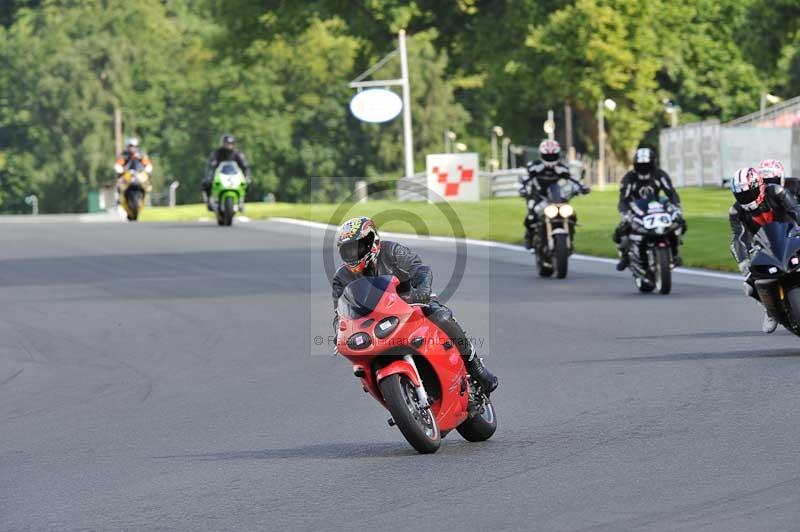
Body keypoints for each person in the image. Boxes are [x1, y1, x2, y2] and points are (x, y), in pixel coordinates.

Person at [330, 216, 498, 394]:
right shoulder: (341, 278)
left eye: (357, 247)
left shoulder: (393, 252)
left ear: (372, 241)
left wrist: (422, 291)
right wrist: (339, 332)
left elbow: (421, 270)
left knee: (441, 316)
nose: (353, 254)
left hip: (409, 305)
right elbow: (340, 313)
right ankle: (393, 394)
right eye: (347, 250)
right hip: (373, 323)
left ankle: (477, 368)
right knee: (362, 366)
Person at [730, 166, 800, 333]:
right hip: (762, 246)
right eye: (741, 195)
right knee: (749, 286)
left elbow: (795, 210)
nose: (746, 198)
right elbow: (738, 238)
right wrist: (743, 261)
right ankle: (769, 310)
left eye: (749, 193)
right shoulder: (736, 211)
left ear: (759, 186)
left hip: (790, 235)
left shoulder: (776, 192)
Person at [613, 147, 683, 270]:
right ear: (635, 164)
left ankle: (675, 252)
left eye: (647, 165)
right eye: (641, 165)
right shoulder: (629, 178)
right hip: (636, 209)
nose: (644, 168)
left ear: (653, 163)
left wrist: (676, 206)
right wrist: (625, 213)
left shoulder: (660, 175)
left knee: (679, 222)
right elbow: (624, 198)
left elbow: (671, 192)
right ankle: (625, 256)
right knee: (621, 230)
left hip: (656, 207)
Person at [518, 139, 589, 251]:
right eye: (548, 156)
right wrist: (523, 189)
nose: (550, 158)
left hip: (556, 198)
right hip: (539, 197)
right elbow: (524, 179)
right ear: (542, 155)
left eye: (553, 156)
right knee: (531, 216)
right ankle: (529, 236)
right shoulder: (534, 167)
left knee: (572, 214)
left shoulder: (562, 168)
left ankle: (570, 236)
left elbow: (572, 180)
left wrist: (581, 188)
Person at [202, 134, 253, 202]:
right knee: (207, 183)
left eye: (230, 143)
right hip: (219, 175)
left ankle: (243, 199)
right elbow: (211, 165)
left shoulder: (237, 153)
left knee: (249, 182)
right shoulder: (217, 153)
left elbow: (245, 166)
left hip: (234, 175)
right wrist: (209, 176)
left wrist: (247, 176)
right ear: (223, 144)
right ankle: (209, 200)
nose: (229, 145)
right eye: (227, 143)